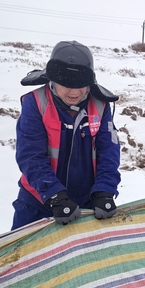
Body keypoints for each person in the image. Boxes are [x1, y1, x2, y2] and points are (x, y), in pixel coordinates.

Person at [11, 41, 121, 230]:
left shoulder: (101, 106)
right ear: (52, 80)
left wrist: (105, 190)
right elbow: (30, 156)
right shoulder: (35, 103)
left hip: (87, 202)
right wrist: (54, 195)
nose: (75, 92)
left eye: (81, 84)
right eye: (67, 84)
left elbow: (109, 151)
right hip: (38, 201)